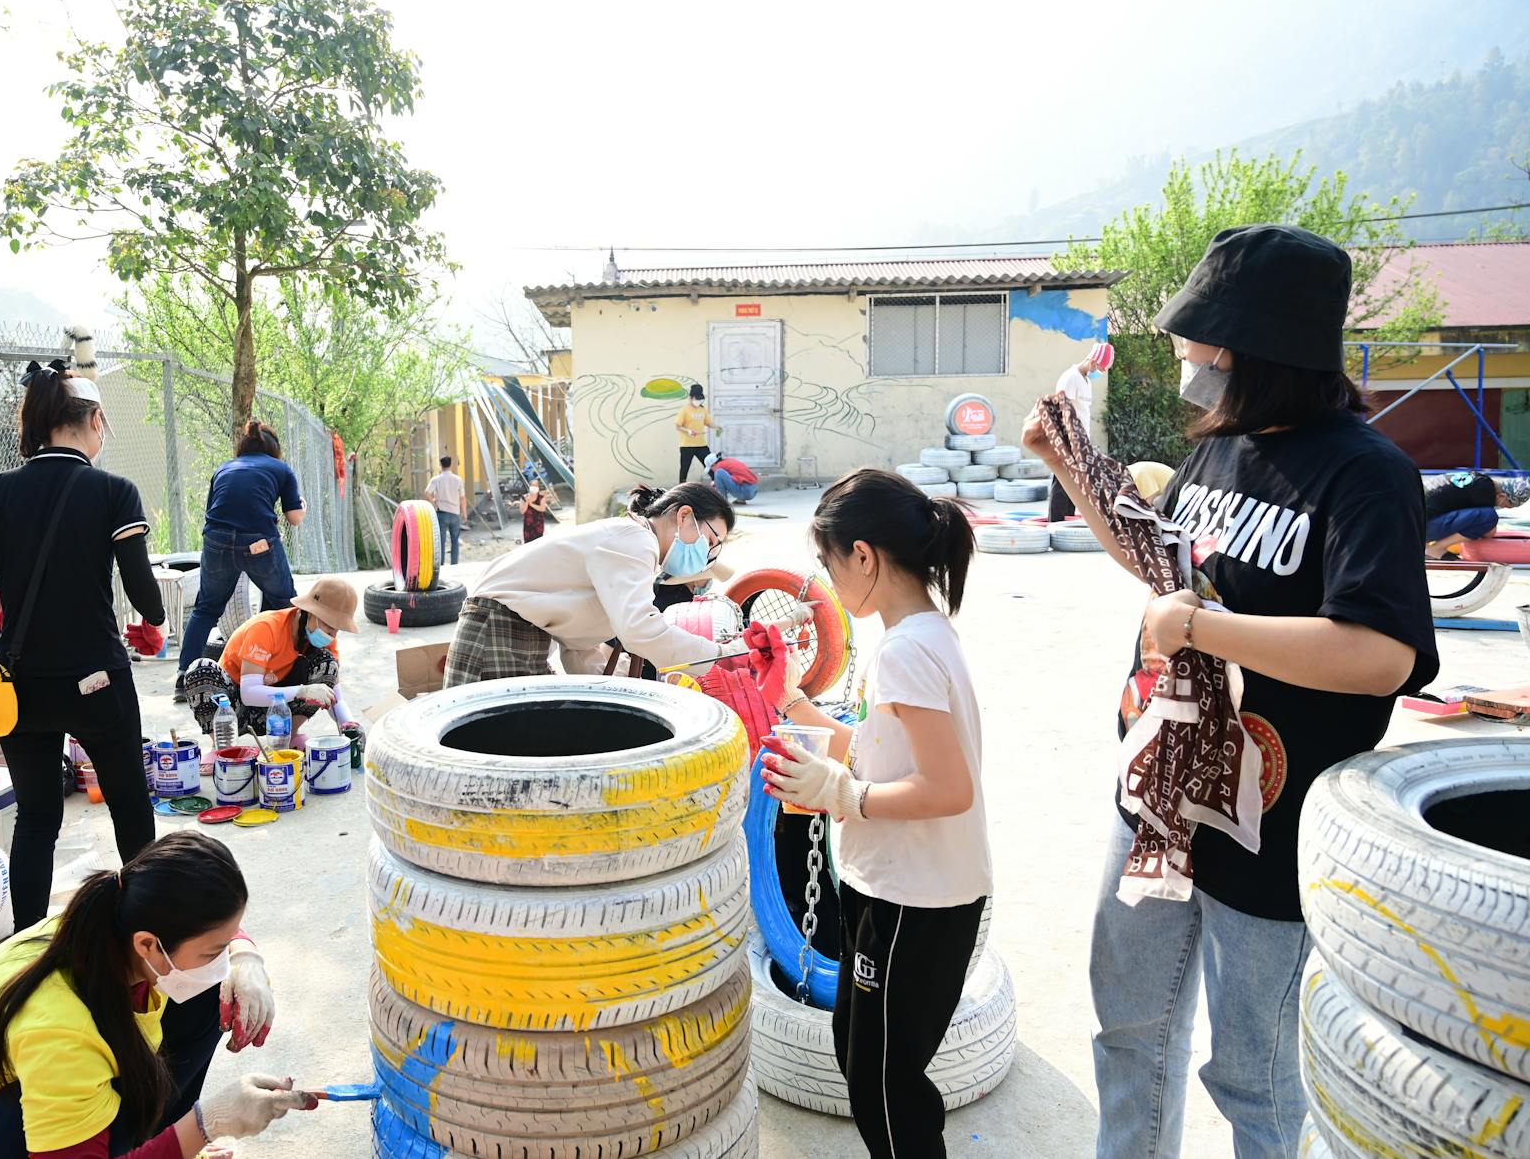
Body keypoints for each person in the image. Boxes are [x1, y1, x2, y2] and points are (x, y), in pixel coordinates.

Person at [1023, 224, 1437, 1159]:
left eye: (1198, 342)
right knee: (1130, 1033)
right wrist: (1067, 464)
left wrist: (1204, 629)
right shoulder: (1222, 447)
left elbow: (1381, 653)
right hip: (1159, 806)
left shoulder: (1366, 475)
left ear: (1256, 348)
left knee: (1253, 1075)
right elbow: (1160, 560)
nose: (1185, 358)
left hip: (1271, 829)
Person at [760, 468, 990, 1159]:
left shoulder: (906, 650)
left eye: (830, 564)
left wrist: (839, 793)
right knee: (860, 1055)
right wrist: (792, 700)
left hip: (916, 904)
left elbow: (948, 788)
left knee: (886, 1085)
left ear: (864, 555)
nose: (829, 582)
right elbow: (873, 748)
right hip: (886, 888)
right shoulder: (911, 636)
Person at [0, 832, 303, 1159]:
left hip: (21, 1088)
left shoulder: (106, 921)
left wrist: (246, 957)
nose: (219, 957)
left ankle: (155, 1145)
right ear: (148, 945)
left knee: (212, 993)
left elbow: (210, 933)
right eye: (213, 950)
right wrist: (206, 1126)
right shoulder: (61, 1028)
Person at [0, 362, 166, 931]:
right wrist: (157, 617)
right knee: (129, 807)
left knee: (39, 817)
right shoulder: (115, 491)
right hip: (97, 678)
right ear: (93, 420)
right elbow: (142, 591)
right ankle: (146, 931)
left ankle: (24, 945)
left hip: (22, 686)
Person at [444, 482, 740, 686]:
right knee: (504, 756)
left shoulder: (633, 544)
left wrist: (609, 685)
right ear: (684, 515)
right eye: (710, 541)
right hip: (499, 628)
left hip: (512, 629)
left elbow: (578, 645)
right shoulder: (636, 540)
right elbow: (640, 629)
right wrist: (718, 656)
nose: (707, 556)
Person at [176, 420, 305, 702]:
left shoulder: (224, 467)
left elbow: (214, 510)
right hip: (259, 542)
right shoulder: (280, 469)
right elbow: (294, 518)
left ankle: (185, 676)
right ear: (274, 450)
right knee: (286, 605)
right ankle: (291, 672)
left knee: (207, 607)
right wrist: (302, 504)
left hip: (217, 541)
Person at [217, 577, 364, 751]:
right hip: (234, 708)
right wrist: (302, 691)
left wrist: (349, 725)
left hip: (277, 710)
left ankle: (288, 736)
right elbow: (249, 693)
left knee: (328, 664)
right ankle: (220, 748)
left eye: (337, 628)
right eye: (328, 624)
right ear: (310, 612)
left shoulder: (325, 640)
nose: (332, 633)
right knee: (201, 669)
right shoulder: (266, 628)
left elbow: (334, 696)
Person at [1047, 342, 1114, 521]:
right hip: (1068, 438)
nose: (1100, 372)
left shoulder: (1085, 381)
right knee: (1062, 482)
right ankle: (1056, 522)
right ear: (1093, 361)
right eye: (1100, 367)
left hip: (1081, 440)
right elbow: (1061, 409)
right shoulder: (1070, 378)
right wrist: (1069, 439)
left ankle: (1067, 520)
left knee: (1075, 484)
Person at [1423, 470, 1508, 557]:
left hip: (1413, 525)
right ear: (1501, 496)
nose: (1502, 507)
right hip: (1420, 529)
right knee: (1489, 517)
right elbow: (1489, 532)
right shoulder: (1486, 492)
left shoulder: (1477, 481)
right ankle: (1436, 548)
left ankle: (1426, 546)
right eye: (1506, 505)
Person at [425, 456, 465, 567]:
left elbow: (427, 493)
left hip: (441, 514)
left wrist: (434, 503)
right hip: (455, 513)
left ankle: (441, 564)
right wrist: (464, 513)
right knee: (455, 541)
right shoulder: (458, 479)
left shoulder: (436, 479)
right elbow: (462, 497)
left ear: (441, 465)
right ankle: (454, 564)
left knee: (440, 541)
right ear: (451, 465)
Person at [674, 384, 718, 482]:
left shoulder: (702, 409)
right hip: (687, 445)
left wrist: (717, 427)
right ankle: (681, 490)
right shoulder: (684, 410)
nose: (698, 401)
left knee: (710, 465)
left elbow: (708, 422)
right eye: (696, 398)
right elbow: (677, 425)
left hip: (701, 444)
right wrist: (688, 431)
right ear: (691, 397)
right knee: (684, 469)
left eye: (700, 399)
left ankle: (717, 484)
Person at [519, 477, 550, 543]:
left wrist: (531, 504)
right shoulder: (523, 497)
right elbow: (522, 511)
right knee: (528, 543)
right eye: (532, 486)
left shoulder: (541, 497)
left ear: (538, 487)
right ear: (529, 486)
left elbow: (542, 509)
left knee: (538, 543)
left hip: (538, 524)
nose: (534, 487)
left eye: (536, 486)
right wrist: (527, 502)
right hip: (528, 524)